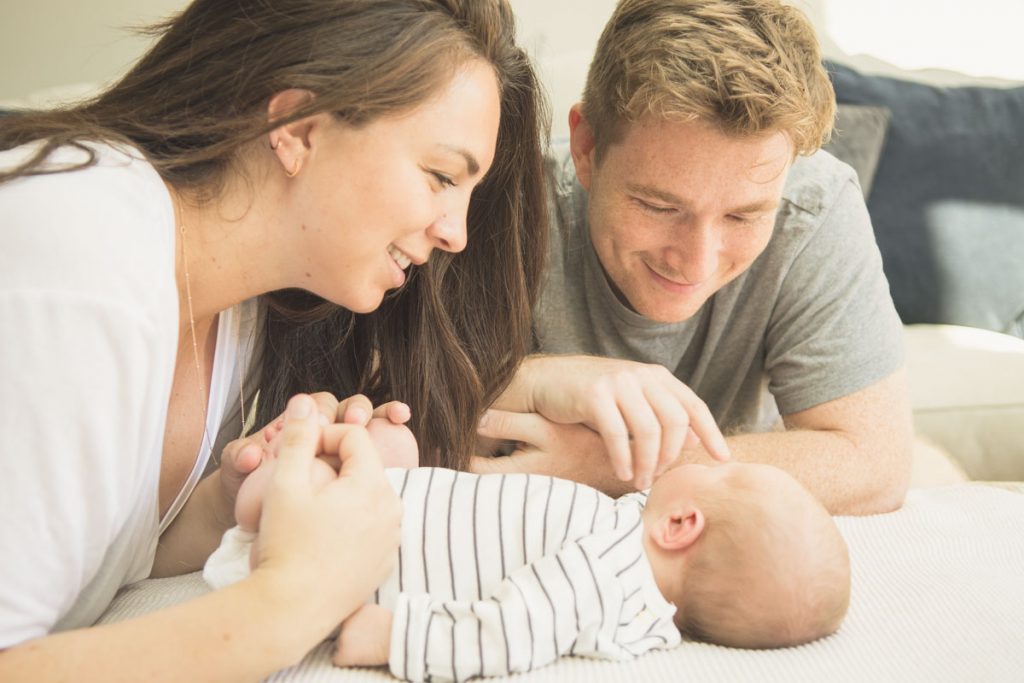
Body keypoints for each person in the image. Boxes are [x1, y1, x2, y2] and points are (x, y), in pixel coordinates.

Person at [0, 0, 549, 678]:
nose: (455, 232)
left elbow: (78, 559)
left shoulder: (234, 311)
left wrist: (230, 504)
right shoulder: (81, 246)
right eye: (440, 176)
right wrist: (300, 591)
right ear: (297, 128)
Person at [474, 0, 913, 514]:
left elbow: (875, 465)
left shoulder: (813, 205)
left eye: (743, 217)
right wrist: (529, 379)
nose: (697, 263)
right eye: (659, 206)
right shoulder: (495, 203)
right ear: (586, 146)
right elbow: (385, 399)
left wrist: (620, 467)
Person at [207, 420, 850, 681]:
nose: (710, 463)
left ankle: (262, 502)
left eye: (723, 475)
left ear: (681, 524)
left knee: (281, 489)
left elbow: (507, 632)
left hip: (348, 552)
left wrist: (390, 635)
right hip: (394, 510)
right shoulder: (628, 550)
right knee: (392, 446)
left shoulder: (607, 577)